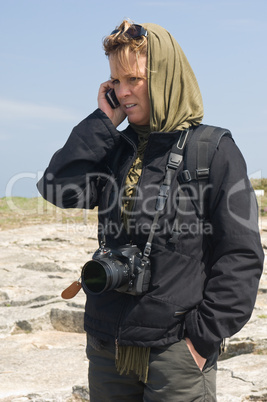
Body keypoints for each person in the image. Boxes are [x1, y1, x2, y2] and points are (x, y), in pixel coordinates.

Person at [37, 19, 264, 402]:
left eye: (133, 80)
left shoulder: (213, 150)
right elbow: (59, 188)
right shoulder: (116, 146)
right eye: (115, 82)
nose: (123, 92)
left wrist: (202, 336)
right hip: (108, 345)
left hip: (176, 350)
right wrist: (101, 124)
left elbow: (240, 254)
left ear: (165, 76)